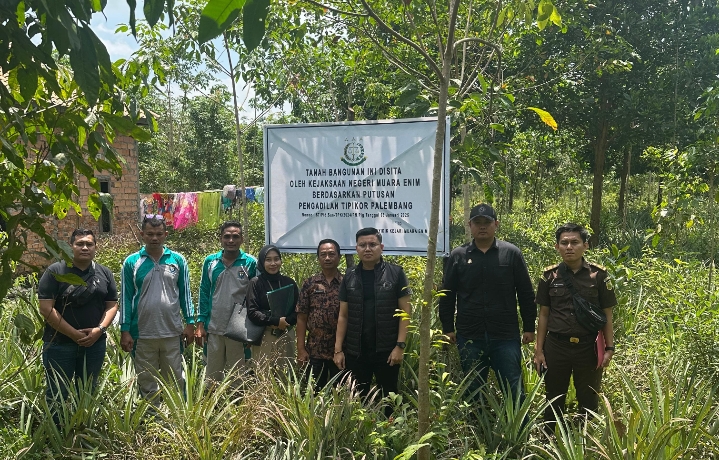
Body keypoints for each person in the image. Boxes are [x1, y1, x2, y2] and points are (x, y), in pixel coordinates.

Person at [439, 203, 536, 404]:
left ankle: (518, 431)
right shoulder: (458, 255)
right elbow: (447, 295)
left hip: (505, 335)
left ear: (496, 224)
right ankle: (477, 431)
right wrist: (448, 328)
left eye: (487, 222)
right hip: (470, 334)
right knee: (473, 390)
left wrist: (529, 327)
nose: (482, 226)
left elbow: (525, 293)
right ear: (470, 225)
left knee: (513, 387)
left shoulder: (511, 253)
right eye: (477, 223)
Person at [533, 222, 616, 431]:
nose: (569, 247)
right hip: (556, 346)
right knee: (553, 397)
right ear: (557, 246)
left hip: (588, 347)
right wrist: (538, 350)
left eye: (575, 242)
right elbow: (543, 314)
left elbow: (607, 314)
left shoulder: (599, 276)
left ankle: (586, 440)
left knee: (588, 396)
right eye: (564, 243)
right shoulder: (548, 277)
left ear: (585, 246)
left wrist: (609, 348)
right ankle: (550, 439)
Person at [38, 229, 118, 417]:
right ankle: (56, 437)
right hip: (59, 345)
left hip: (94, 345)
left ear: (95, 247)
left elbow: (112, 306)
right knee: (57, 393)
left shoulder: (104, 273)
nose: (84, 247)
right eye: (79, 243)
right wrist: (74, 334)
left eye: (89, 244)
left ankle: (82, 433)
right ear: (71, 246)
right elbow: (46, 308)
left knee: (88, 391)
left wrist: (99, 330)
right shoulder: (55, 271)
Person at [333, 227, 412, 416]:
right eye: (363, 245)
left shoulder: (395, 273)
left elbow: (405, 312)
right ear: (356, 248)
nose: (367, 249)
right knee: (359, 399)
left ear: (381, 247)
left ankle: (391, 437)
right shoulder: (350, 276)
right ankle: (362, 438)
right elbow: (343, 315)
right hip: (357, 350)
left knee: (390, 398)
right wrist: (338, 350)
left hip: (387, 350)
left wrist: (400, 346)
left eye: (372, 244)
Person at [120, 215, 195, 400]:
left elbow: (186, 294)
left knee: (176, 379)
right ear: (142, 235)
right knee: (146, 380)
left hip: (172, 332)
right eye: (150, 234)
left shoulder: (177, 260)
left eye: (159, 234)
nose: (155, 238)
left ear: (165, 235)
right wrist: (125, 330)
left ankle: (176, 420)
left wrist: (191, 323)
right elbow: (126, 297)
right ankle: (152, 419)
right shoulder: (132, 262)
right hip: (142, 333)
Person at [196, 221, 257, 382]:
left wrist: (253, 330)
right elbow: (204, 293)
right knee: (212, 377)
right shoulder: (211, 262)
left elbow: (256, 297)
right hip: (214, 328)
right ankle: (214, 407)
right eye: (227, 237)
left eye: (235, 236)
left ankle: (239, 406)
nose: (231, 240)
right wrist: (200, 324)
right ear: (221, 239)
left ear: (242, 239)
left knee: (238, 378)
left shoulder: (250, 263)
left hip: (239, 330)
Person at [296, 239, 343, 390]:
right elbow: (301, 317)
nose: (327, 258)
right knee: (314, 394)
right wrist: (301, 349)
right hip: (315, 350)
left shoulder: (348, 283)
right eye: (323, 254)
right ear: (318, 258)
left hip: (342, 350)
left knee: (341, 394)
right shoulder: (310, 283)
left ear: (339, 257)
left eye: (331, 254)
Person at [246, 244, 299, 366]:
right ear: (262, 262)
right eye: (268, 260)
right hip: (265, 334)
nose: (273, 263)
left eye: (276, 259)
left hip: (286, 333)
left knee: (286, 375)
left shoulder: (289, 282)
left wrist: (285, 321)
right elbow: (252, 312)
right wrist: (275, 321)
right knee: (264, 376)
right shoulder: (255, 283)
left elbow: (297, 309)